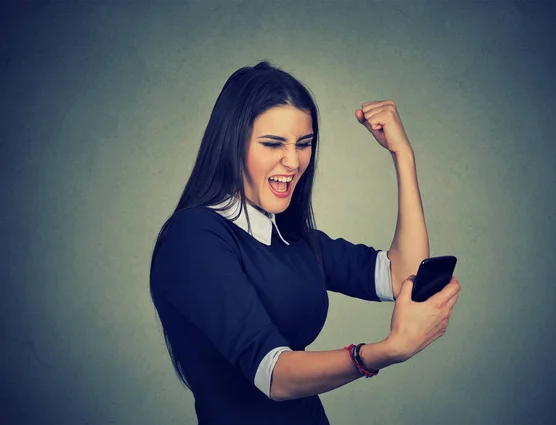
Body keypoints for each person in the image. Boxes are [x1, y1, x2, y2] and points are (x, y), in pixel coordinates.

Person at [149, 60, 461, 424]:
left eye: (304, 144)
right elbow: (273, 374)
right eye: (273, 143)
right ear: (232, 143)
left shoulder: (289, 235)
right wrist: (384, 352)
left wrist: (402, 155)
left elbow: (402, 275)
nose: (293, 161)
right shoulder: (194, 238)